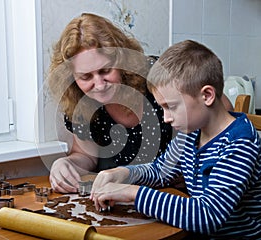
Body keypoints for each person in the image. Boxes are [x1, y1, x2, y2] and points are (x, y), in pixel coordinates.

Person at [90, 40, 261, 239]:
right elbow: (161, 171)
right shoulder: (191, 134)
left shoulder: (239, 143)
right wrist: (123, 173)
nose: (166, 118)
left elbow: (207, 215)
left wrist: (132, 193)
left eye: (170, 106)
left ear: (207, 95)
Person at [48, 13, 173, 193]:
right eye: (85, 77)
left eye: (105, 71)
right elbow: (85, 155)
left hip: (176, 196)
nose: (99, 85)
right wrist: (65, 164)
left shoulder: (157, 76)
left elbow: (217, 111)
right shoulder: (81, 103)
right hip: (127, 199)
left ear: (122, 60)